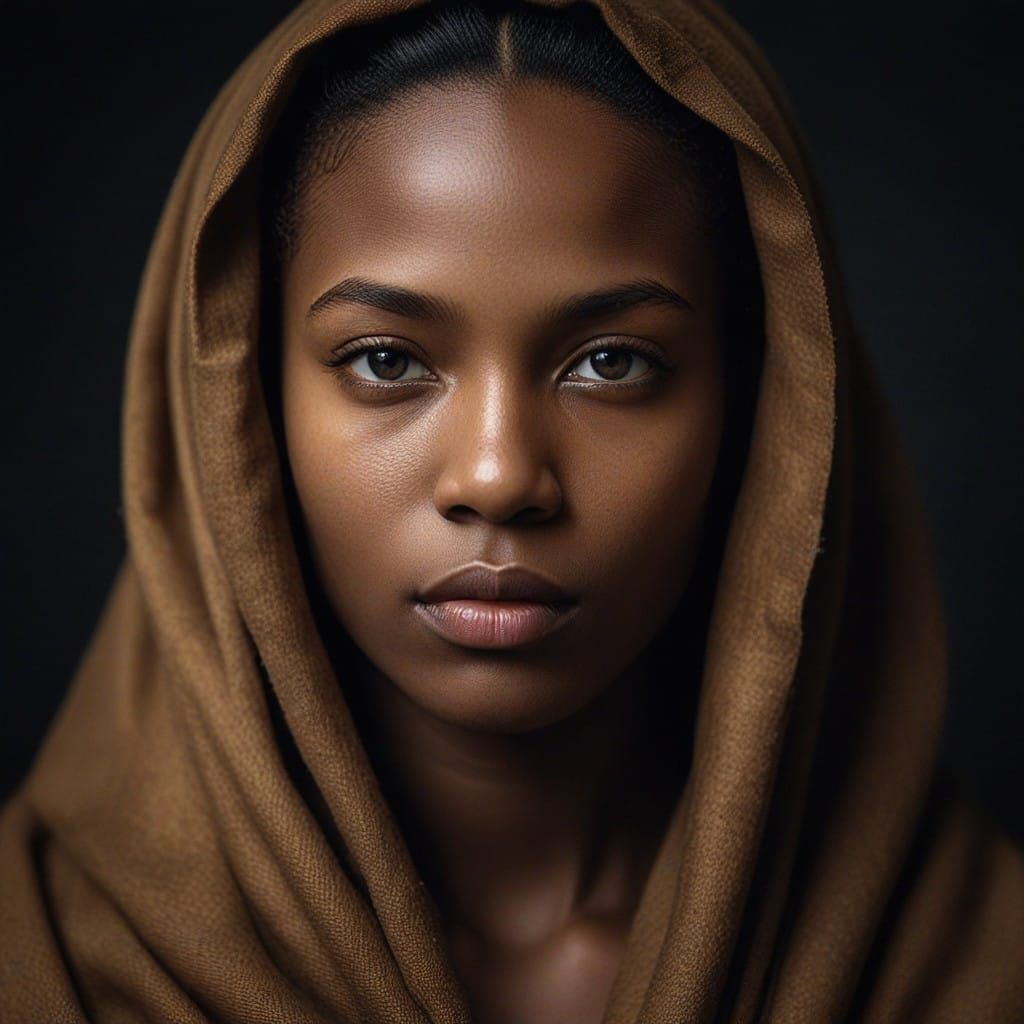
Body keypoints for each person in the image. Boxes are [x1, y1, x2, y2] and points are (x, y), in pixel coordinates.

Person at [1, 0, 1021, 1021]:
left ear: (764, 405)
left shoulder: (969, 961)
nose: (496, 476)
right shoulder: (45, 950)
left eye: (611, 363)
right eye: (386, 360)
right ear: (240, 407)